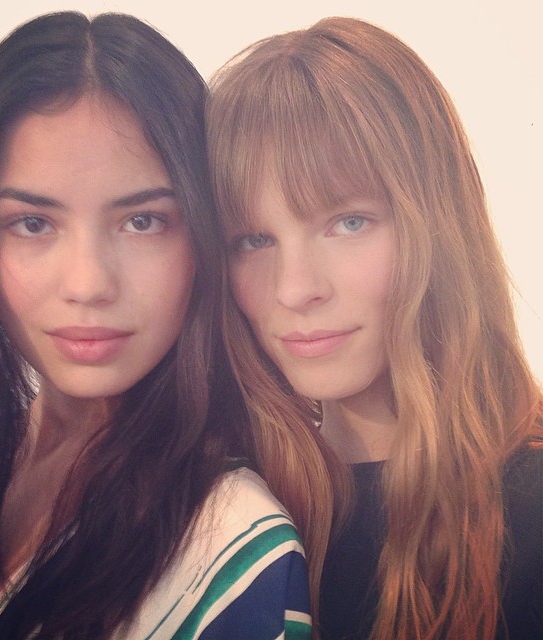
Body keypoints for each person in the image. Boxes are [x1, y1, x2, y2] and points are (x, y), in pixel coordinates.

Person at [0, 12, 316, 639]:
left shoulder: (231, 548)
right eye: (33, 223)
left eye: (142, 221)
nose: (89, 283)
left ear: (204, 234)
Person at [207, 16, 543, 640]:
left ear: (437, 223)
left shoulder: (531, 509)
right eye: (254, 239)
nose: (294, 289)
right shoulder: (223, 515)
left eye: (348, 223)